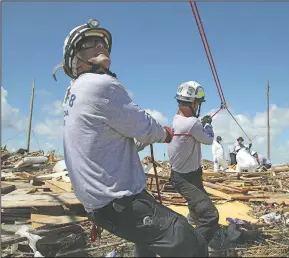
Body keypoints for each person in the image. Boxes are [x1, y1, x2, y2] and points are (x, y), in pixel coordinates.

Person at [54, 19, 207, 257]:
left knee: (146, 240)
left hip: (99, 202)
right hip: (117, 201)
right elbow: (144, 125)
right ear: (75, 58)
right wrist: (163, 134)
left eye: (102, 42)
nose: (100, 46)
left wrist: (141, 140)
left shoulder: (73, 92)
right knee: (188, 241)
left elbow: (105, 140)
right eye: (90, 43)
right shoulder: (101, 84)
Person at [168, 81, 224, 250]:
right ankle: (192, 249)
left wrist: (202, 122)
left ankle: (192, 222)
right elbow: (208, 139)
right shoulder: (192, 123)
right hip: (185, 179)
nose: (198, 106)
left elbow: (194, 127)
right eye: (197, 103)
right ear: (193, 103)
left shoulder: (178, 119)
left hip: (188, 174)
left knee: (197, 206)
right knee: (210, 215)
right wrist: (207, 124)